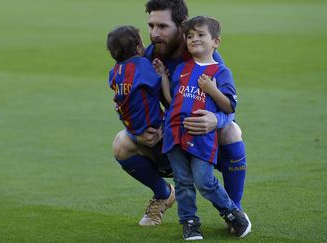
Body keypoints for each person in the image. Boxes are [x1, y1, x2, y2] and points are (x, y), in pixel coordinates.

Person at [112, 0, 248, 226]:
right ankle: (164, 194)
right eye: (151, 26)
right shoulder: (147, 58)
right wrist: (139, 132)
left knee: (231, 130)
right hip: (170, 137)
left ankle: (235, 210)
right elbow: (127, 102)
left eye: (162, 27)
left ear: (182, 26)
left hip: (202, 138)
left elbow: (230, 106)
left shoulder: (204, 55)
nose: (154, 34)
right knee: (121, 143)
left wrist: (216, 120)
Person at [156, 15, 251, 240]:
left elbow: (229, 106)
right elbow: (172, 100)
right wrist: (163, 78)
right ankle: (189, 222)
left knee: (204, 181)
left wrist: (211, 89)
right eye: (190, 36)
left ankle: (231, 213)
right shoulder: (182, 68)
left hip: (202, 137)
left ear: (215, 42)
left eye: (201, 35)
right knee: (183, 183)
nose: (194, 39)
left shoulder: (220, 72)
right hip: (175, 135)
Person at [106, 25, 176, 226]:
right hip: (157, 129)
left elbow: (118, 92)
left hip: (135, 129)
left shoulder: (116, 71)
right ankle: (170, 188)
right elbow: (159, 88)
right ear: (138, 47)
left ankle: (165, 189)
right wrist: (162, 74)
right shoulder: (142, 66)